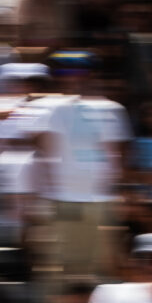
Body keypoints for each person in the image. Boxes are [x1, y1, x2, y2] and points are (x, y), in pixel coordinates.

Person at [30, 50, 126, 290]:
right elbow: (44, 151)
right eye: (63, 72)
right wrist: (42, 198)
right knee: (60, 267)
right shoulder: (46, 107)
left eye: (79, 71)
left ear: (91, 74)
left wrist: (115, 192)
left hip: (99, 199)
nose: (71, 77)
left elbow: (116, 154)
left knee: (100, 266)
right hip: (61, 199)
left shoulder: (111, 109)